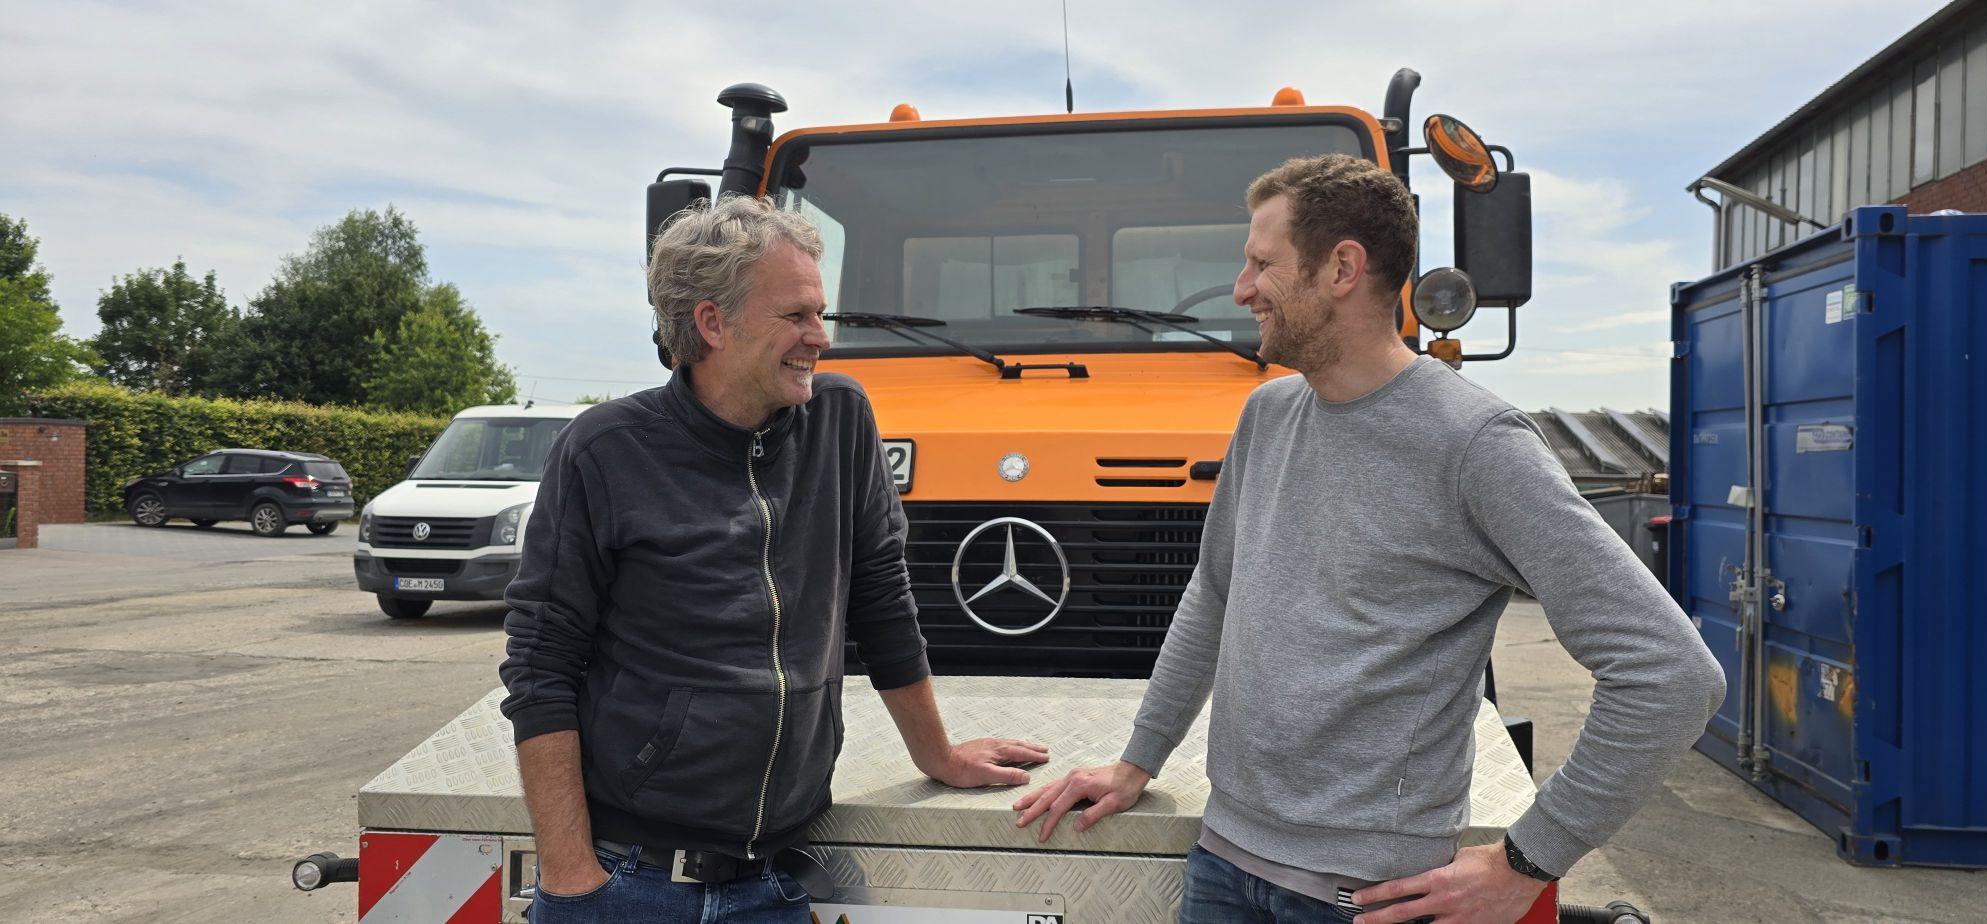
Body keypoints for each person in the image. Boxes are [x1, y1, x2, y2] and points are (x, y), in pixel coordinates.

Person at [1012, 154, 1726, 924]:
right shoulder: (1268, 416)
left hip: (1366, 900)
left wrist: (1529, 860)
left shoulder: (1476, 444)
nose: (1242, 288)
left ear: (1342, 268)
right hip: (1223, 864)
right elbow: (1213, 596)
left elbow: (1671, 674)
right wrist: (1135, 762)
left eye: (1262, 263)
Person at [500, 195, 1048, 922]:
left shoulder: (841, 420)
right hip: (631, 878)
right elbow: (542, 662)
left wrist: (937, 756)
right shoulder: (604, 451)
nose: (820, 338)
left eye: (821, 314)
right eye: (797, 316)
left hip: (775, 881)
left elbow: (881, 601)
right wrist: (570, 877)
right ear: (712, 323)